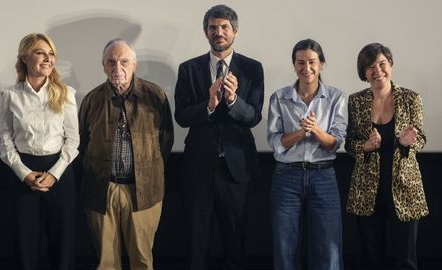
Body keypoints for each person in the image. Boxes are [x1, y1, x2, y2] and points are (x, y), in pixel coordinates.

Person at [174, 4, 264, 270]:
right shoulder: (188, 69)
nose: (219, 32)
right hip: (198, 169)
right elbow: (181, 116)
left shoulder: (252, 68)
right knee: (196, 243)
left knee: (235, 242)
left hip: (236, 170)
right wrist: (210, 104)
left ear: (235, 31)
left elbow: (254, 116)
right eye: (213, 27)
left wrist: (234, 99)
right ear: (205, 32)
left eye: (224, 27)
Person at [78, 38, 174, 270]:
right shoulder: (92, 100)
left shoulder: (155, 95)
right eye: (111, 62)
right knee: (106, 263)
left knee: (142, 259)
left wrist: (146, 172)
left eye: (123, 61)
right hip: (102, 190)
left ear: (134, 64)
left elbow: (166, 141)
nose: (117, 68)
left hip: (143, 190)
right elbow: (81, 144)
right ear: (103, 66)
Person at [0, 33, 79, 270]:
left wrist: (54, 174)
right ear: (24, 57)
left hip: (60, 173)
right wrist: (24, 174)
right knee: (25, 246)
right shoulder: (10, 96)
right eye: (40, 52)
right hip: (23, 175)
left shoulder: (66, 93)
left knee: (62, 246)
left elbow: (73, 141)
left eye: (51, 53)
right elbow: (4, 140)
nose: (47, 58)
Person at [345, 43, 428, 270]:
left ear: (390, 64)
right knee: (371, 259)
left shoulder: (411, 98)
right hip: (367, 190)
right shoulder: (355, 101)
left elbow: (420, 137)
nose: (377, 70)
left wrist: (406, 143)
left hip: (405, 188)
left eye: (382, 64)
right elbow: (350, 143)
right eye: (370, 66)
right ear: (363, 72)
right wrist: (366, 146)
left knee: (406, 261)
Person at [267, 39, 347, 270]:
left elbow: (336, 142)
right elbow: (275, 141)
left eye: (312, 62)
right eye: (300, 62)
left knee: (329, 249)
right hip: (286, 177)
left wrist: (315, 130)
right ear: (294, 65)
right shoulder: (279, 97)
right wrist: (301, 132)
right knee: (285, 247)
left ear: (321, 64)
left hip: (323, 176)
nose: (307, 68)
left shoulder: (336, 97)